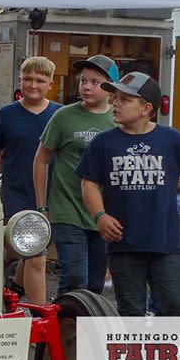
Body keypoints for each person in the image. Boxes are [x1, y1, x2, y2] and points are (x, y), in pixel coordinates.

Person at [77, 72, 180, 316]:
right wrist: (100, 215)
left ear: (146, 108)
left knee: (175, 305)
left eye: (125, 99)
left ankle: (170, 354)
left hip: (165, 244)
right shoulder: (103, 143)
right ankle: (136, 354)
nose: (115, 103)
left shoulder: (170, 139)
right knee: (131, 311)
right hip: (123, 244)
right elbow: (89, 183)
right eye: (115, 98)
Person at [33, 54, 119, 295]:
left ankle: (85, 331)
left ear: (111, 88)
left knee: (94, 285)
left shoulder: (118, 120)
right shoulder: (63, 116)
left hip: (104, 214)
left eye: (95, 81)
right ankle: (64, 330)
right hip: (67, 210)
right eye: (83, 81)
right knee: (74, 279)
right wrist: (42, 207)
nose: (87, 86)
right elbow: (41, 160)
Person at [0, 56, 62, 305]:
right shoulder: (6, 114)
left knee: (31, 255)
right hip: (15, 193)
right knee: (30, 256)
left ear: (50, 83)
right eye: (28, 79)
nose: (33, 85)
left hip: (51, 194)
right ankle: (40, 315)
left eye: (40, 80)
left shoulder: (60, 114)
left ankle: (15, 291)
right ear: (20, 81)